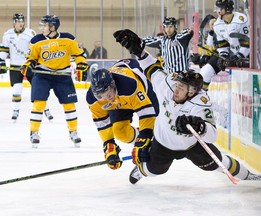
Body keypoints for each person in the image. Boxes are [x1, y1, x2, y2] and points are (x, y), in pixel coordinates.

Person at [113, 28, 261, 185]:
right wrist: (139, 52)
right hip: (163, 142)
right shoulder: (168, 86)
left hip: (191, 144)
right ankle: (141, 171)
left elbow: (212, 135)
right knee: (155, 170)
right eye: (178, 85)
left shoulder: (200, 103)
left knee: (218, 163)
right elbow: (151, 68)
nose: (176, 90)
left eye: (182, 88)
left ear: (192, 92)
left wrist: (199, 126)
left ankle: (249, 176)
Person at [20, 15, 88, 148]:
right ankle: (34, 132)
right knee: (39, 104)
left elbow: (79, 55)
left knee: (69, 105)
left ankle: (73, 132)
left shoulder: (68, 39)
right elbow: (31, 58)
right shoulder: (36, 40)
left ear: (53, 27)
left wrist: (81, 65)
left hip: (62, 75)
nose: (42, 28)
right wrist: (28, 65)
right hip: (42, 75)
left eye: (44, 25)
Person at [86, 58, 159, 170]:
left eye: (108, 91)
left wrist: (144, 137)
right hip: (120, 100)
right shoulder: (92, 99)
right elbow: (102, 123)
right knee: (120, 132)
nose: (106, 97)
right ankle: (144, 142)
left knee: (159, 125)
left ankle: (150, 139)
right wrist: (109, 145)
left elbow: (146, 113)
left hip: (144, 90)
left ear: (113, 84)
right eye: (100, 95)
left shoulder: (129, 85)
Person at [0, 13, 54, 121]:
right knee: (17, 89)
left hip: (29, 66)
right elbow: (4, 50)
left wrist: (38, 63)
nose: (21, 23)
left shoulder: (30, 33)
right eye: (18, 21)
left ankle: (46, 110)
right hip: (15, 66)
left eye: (22, 21)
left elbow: (36, 49)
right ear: (14, 22)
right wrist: (1, 61)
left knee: (38, 89)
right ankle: (15, 111)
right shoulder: (7, 34)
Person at [199, 0, 250, 89]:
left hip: (245, 54)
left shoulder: (241, 19)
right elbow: (222, 45)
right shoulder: (217, 24)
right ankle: (202, 97)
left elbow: (247, 43)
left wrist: (239, 55)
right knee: (205, 72)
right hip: (231, 53)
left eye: (219, 8)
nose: (216, 11)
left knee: (243, 82)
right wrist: (224, 55)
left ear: (226, 9)